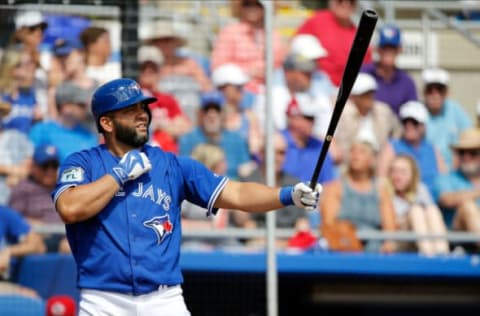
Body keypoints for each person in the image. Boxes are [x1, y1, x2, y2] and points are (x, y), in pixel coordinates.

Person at [51, 78, 322, 315]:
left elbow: (237, 192)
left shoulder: (173, 165)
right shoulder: (83, 163)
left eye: (143, 107)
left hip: (164, 299)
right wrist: (118, 175)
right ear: (106, 122)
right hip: (103, 300)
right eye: (130, 110)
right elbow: (69, 208)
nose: (142, 114)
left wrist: (288, 195)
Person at [320, 139, 397, 253]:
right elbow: (328, 223)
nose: (355, 155)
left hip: (374, 249)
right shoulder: (336, 188)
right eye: (352, 151)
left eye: (362, 152)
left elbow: (390, 228)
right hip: (343, 247)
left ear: (372, 159)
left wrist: (388, 245)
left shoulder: (381, 191)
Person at [211, 0, 286, 94]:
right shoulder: (230, 31)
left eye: (258, 4)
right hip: (239, 88)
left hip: (268, 86)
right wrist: (246, 72)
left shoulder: (272, 34)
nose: (252, 8)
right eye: (247, 4)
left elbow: (277, 62)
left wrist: (258, 70)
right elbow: (219, 64)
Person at [8, 144, 70, 253]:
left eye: (54, 166)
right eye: (45, 166)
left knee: (70, 246)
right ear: (34, 167)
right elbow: (11, 219)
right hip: (37, 238)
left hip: (65, 238)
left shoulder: (64, 188)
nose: (50, 171)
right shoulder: (23, 188)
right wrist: (29, 222)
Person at [377, 100, 447, 197]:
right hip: (404, 200)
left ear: (423, 125)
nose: (409, 126)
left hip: (433, 202)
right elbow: (381, 180)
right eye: (405, 122)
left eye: (414, 122)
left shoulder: (432, 149)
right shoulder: (392, 146)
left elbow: (445, 179)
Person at [295, 0, 372, 87]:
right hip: (318, 88)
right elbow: (294, 53)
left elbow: (367, 66)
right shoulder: (316, 21)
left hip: (351, 92)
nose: (346, 4)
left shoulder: (361, 34)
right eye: (340, 0)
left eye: (352, 1)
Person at [179, 91, 254, 180]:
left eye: (217, 110)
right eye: (207, 110)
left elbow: (245, 168)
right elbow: (184, 171)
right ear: (200, 113)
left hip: (232, 187)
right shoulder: (188, 139)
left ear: (223, 114)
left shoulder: (236, 139)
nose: (212, 114)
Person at [387, 154, 450, 256]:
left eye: (403, 172)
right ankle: (429, 256)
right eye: (394, 171)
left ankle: (442, 254)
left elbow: (430, 216)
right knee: (416, 210)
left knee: (432, 209)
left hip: (418, 238)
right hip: (398, 241)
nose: (397, 176)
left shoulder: (421, 189)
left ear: (412, 174)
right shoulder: (385, 192)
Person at [334, 72, 401, 166]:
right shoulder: (343, 114)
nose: (368, 98)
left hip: (379, 162)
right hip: (350, 163)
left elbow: (397, 131)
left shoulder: (383, 111)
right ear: (354, 97)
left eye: (370, 93)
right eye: (364, 94)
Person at [137, 45, 192, 154]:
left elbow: (185, 127)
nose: (148, 71)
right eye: (144, 68)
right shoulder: (133, 98)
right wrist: (164, 125)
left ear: (159, 71)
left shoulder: (167, 99)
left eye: (153, 68)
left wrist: (159, 125)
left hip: (168, 156)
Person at [28, 81, 99, 162]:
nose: (86, 109)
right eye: (81, 105)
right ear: (65, 107)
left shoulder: (89, 136)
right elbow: (28, 164)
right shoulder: (40, 131)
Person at [361, 23, 418, 116]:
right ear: (377, 49)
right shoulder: (364, 73)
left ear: (399, 50)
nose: (388, 51)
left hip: (396, 128)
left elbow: (413, 113)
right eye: (384, 47)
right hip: (366, 126)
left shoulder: (407, 81)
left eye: (393, 48)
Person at [422, 67, 473, 170]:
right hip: (425, 169)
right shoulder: (417, 112)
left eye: (440, 90)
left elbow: (470, 136)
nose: (435, 95)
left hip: (455, 170)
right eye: (430, 90)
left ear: (446, 93)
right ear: (424, 92)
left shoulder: (456, 110)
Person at [434, 128, 480, 241]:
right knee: (468, 207)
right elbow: (447, 199)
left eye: (473, 153)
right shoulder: (446, 178)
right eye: (462, 153)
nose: (466, 157)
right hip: (458, 238)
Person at [211, 63, 263, 157]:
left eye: (242, 86)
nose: (242, 90)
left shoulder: (249, 117)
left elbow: (255, 149)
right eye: (237, 87)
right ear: (223, 88)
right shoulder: (210, 116)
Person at [0, 204, 46, 298]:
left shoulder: (3, 213)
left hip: (6, 281)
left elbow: (38, 246)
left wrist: (8, 251)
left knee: (31, 299)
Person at [0, 101, 33, 205]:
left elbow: (30, 160)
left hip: (19, 199)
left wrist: (18, 176)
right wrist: (11, 170)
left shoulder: (17, 136)